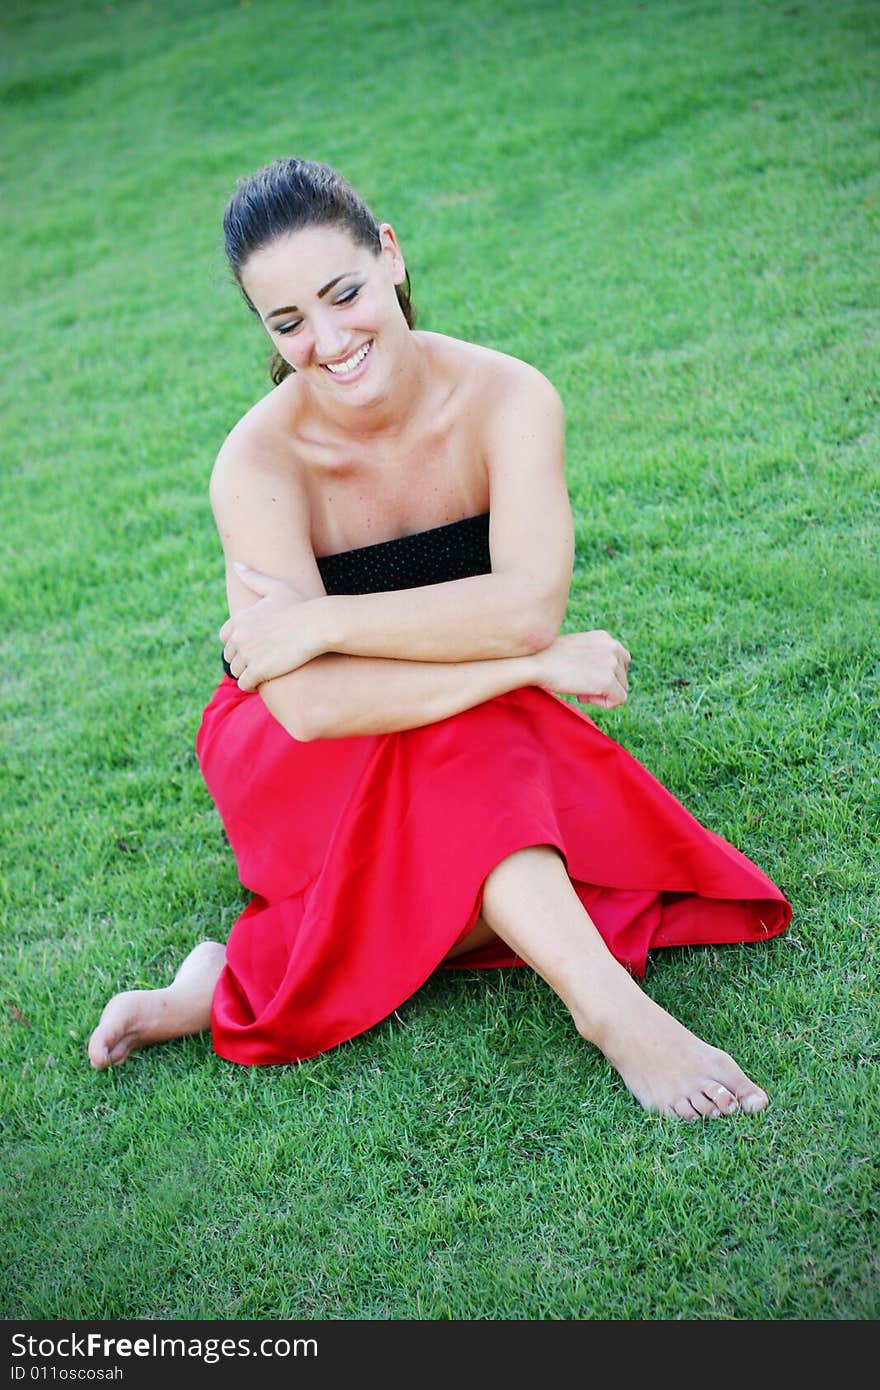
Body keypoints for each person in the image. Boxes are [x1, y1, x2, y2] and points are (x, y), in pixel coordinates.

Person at [88, 157, 791, 1119]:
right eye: (288, 323)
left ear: (390, 254)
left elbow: (527, 604)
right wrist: (534, 667)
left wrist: (327, 618)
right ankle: (615, 1016)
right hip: (297, 750)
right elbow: (308, 699)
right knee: (481, 753)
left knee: (463, 776)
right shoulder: (257, 463)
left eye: (344, 295)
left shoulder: (509, 398)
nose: (330, 342)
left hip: (458, 701)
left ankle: (232, 976)